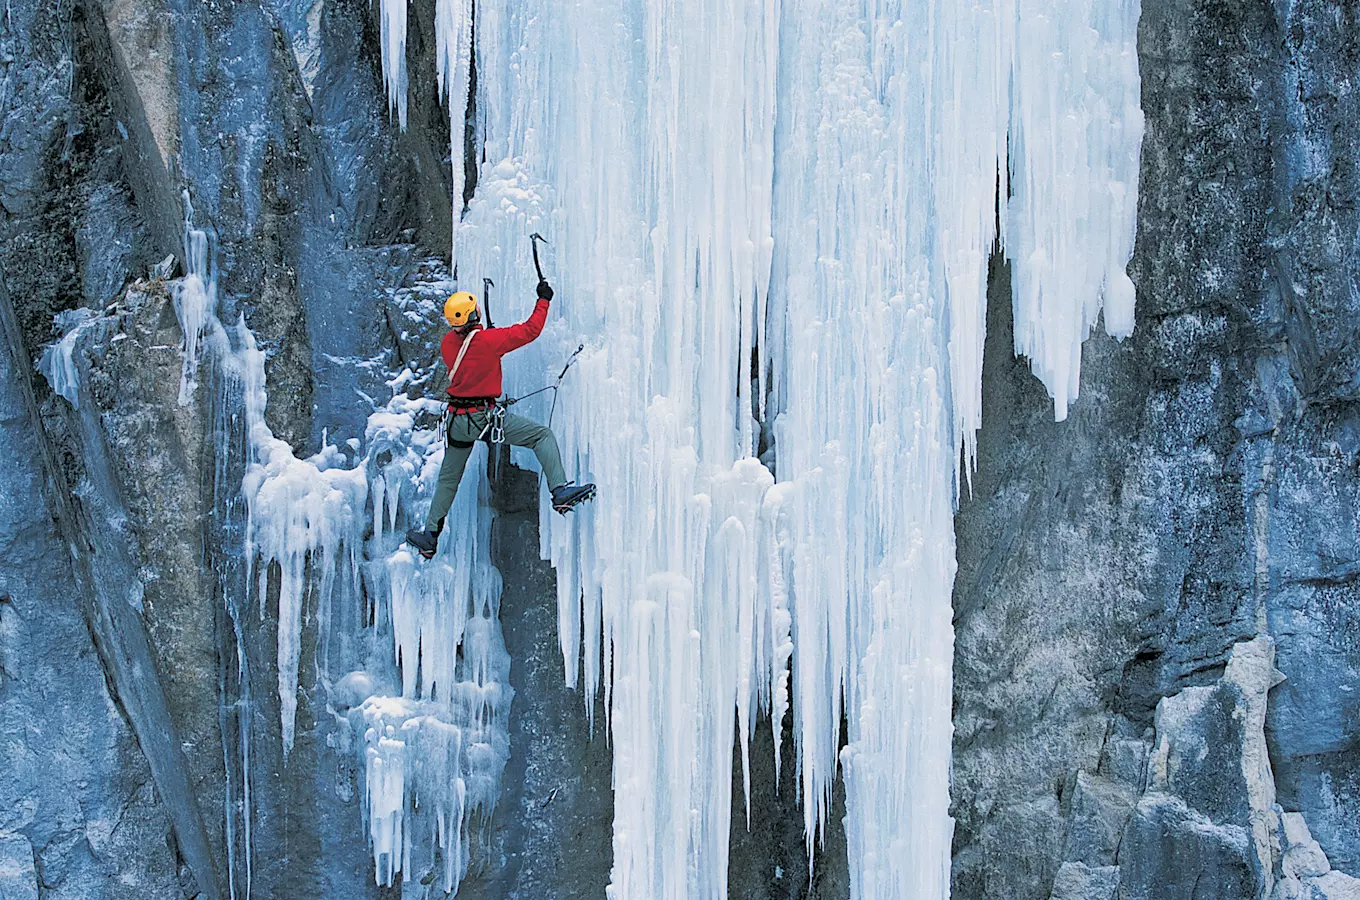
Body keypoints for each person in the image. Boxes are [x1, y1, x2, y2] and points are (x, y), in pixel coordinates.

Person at [404, 279, 595, 559]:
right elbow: (530, 331)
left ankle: (430, 536)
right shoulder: (488, 342)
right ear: (473, 315)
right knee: (541, 436)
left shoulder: (448, 343)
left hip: (458, 421)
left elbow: (470, 357)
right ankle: (560, 491)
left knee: (448, 478)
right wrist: (543, 300)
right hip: (484, 418)